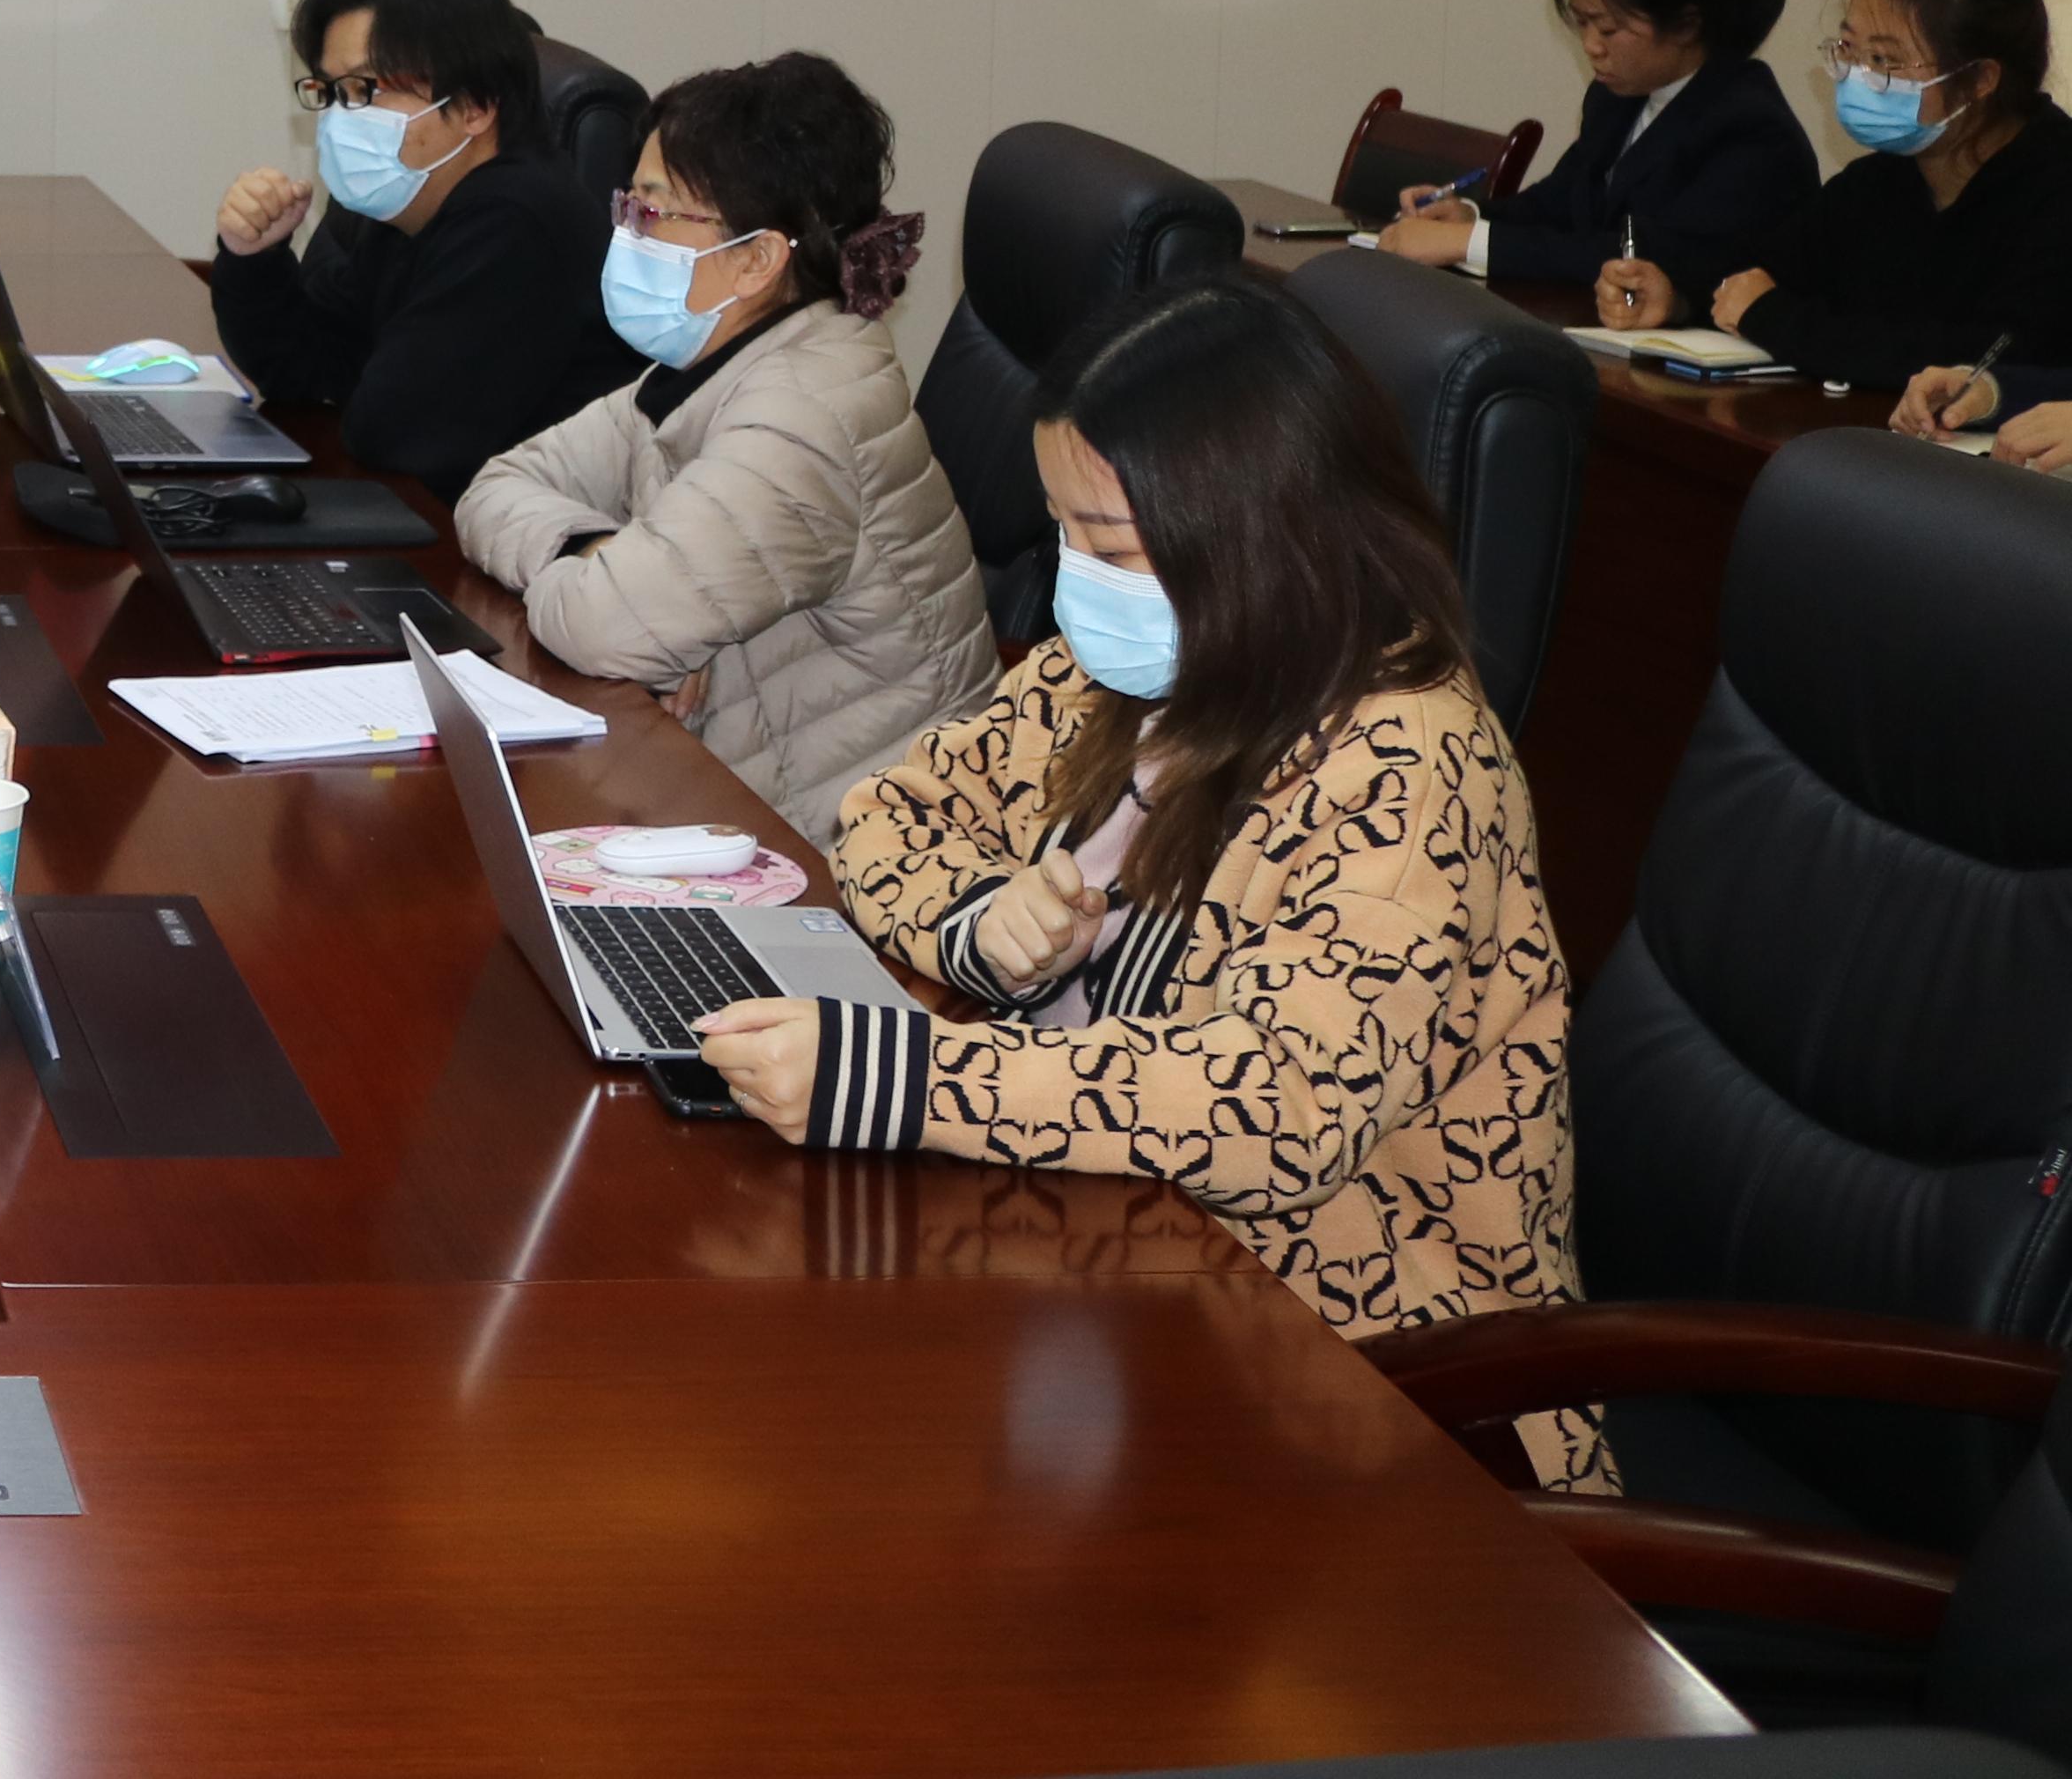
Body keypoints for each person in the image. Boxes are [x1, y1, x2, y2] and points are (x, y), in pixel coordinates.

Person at [685, 273, 1601, 1491]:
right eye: (1062, 530)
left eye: (1108, 543)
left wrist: (902, 1078)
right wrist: (981, 924)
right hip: (1110, 1264)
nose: (1076, 576)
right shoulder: (1130, 667)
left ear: (1258, 527)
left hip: (1378, 1382)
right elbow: (888, 815)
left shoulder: (1412, 765)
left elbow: (1277, 1111)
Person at [448, 55, 992, 827]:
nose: (625, 229)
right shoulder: (706, 365)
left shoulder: (808, 415)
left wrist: (618, 588)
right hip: (726, 789)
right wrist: (592, 546)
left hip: (862, 847)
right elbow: (494, 487)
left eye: (653, 212)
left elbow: (604, 627)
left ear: (757, 259)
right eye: (629, 203)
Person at [209, 0, 636, 492]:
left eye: (365, 89)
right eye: (331, 91)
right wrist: (255, 258)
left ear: (475, 106)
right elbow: (304, 369)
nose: (342, 116)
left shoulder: (513, 223)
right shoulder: (408, 198)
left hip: (514, 528)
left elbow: (396, 434)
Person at [1608, 0, 2072, 388]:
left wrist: (1775, 318)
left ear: (1980, 79)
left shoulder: (2056, 188)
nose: (1855, 76)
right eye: (1849, 50)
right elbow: (1765, 271)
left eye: (1883, 60)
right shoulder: (1880, 180)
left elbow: (1991, 360)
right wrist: (1678, 297)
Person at [1374, 0, 1812, 311]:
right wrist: (1468, 216)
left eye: (1608, 29)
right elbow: (1561, 201)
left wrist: (1469, 242)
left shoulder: (1750, 128)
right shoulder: (1616, 97)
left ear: (1686, 26)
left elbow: (1643, 253)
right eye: (1582, 24)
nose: (1590, 47)